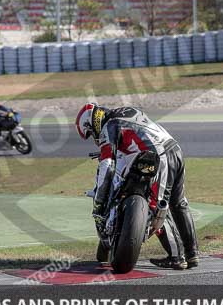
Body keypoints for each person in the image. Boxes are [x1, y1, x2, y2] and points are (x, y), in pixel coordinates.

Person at [75, 103, 199, 270]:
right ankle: (192, 254)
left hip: (158, 157)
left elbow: (107, 166)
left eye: (90, 133)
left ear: (91, 123)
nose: (94, 138)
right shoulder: (126, 112)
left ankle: (177, 257)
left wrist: (99, 200)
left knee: (156, 207)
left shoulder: (108, 126)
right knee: (179, 203)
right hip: (175, 149)